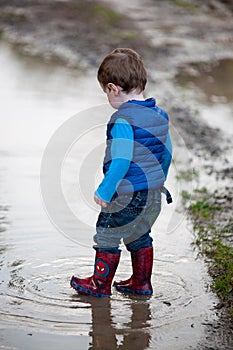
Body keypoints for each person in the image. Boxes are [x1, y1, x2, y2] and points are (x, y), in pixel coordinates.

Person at [70, 48, 172, 297]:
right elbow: (167, 153)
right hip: (153, 193)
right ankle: (141, 283)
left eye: (106, 92)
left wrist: (105, 189)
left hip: (126, 195)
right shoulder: (159, 115)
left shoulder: (123, 120)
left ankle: (99, 285)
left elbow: (122, 160)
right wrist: (157, 181)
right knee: (139, 235)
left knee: (106, 233)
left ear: (113, 89)